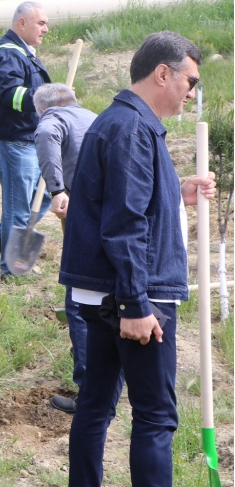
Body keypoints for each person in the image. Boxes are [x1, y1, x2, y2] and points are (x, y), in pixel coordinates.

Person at [59, 32, 215, 487]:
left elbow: (126, 202)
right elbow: (124, 223)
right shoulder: (131, 129)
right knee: (155, 415)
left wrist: (175, 193)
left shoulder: (124, 123)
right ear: (163, 73)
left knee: (95, 404)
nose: (191, 93)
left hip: (111, 290)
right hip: (132, 294)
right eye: (190, 81)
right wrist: (135, 304)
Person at [32, 83, 98, 415]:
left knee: (80, 304)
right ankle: (111, 382)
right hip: (117, 218)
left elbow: (45, 135)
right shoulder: (94, 117)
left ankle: (90, 396)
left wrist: (57, 190)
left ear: (44, 110)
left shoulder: (52, 119)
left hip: (88, 219)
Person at [0, 1, 52, 278]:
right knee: (20, 207)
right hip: (12, 140)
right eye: (41, 23)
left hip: (27, 138)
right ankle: (12, 271)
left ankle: (1, 234)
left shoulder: (24, 53)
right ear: (22, 23)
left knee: (44, 196)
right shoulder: (8, 54)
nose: (46, 29)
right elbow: (11, 95)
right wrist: (49, 98)